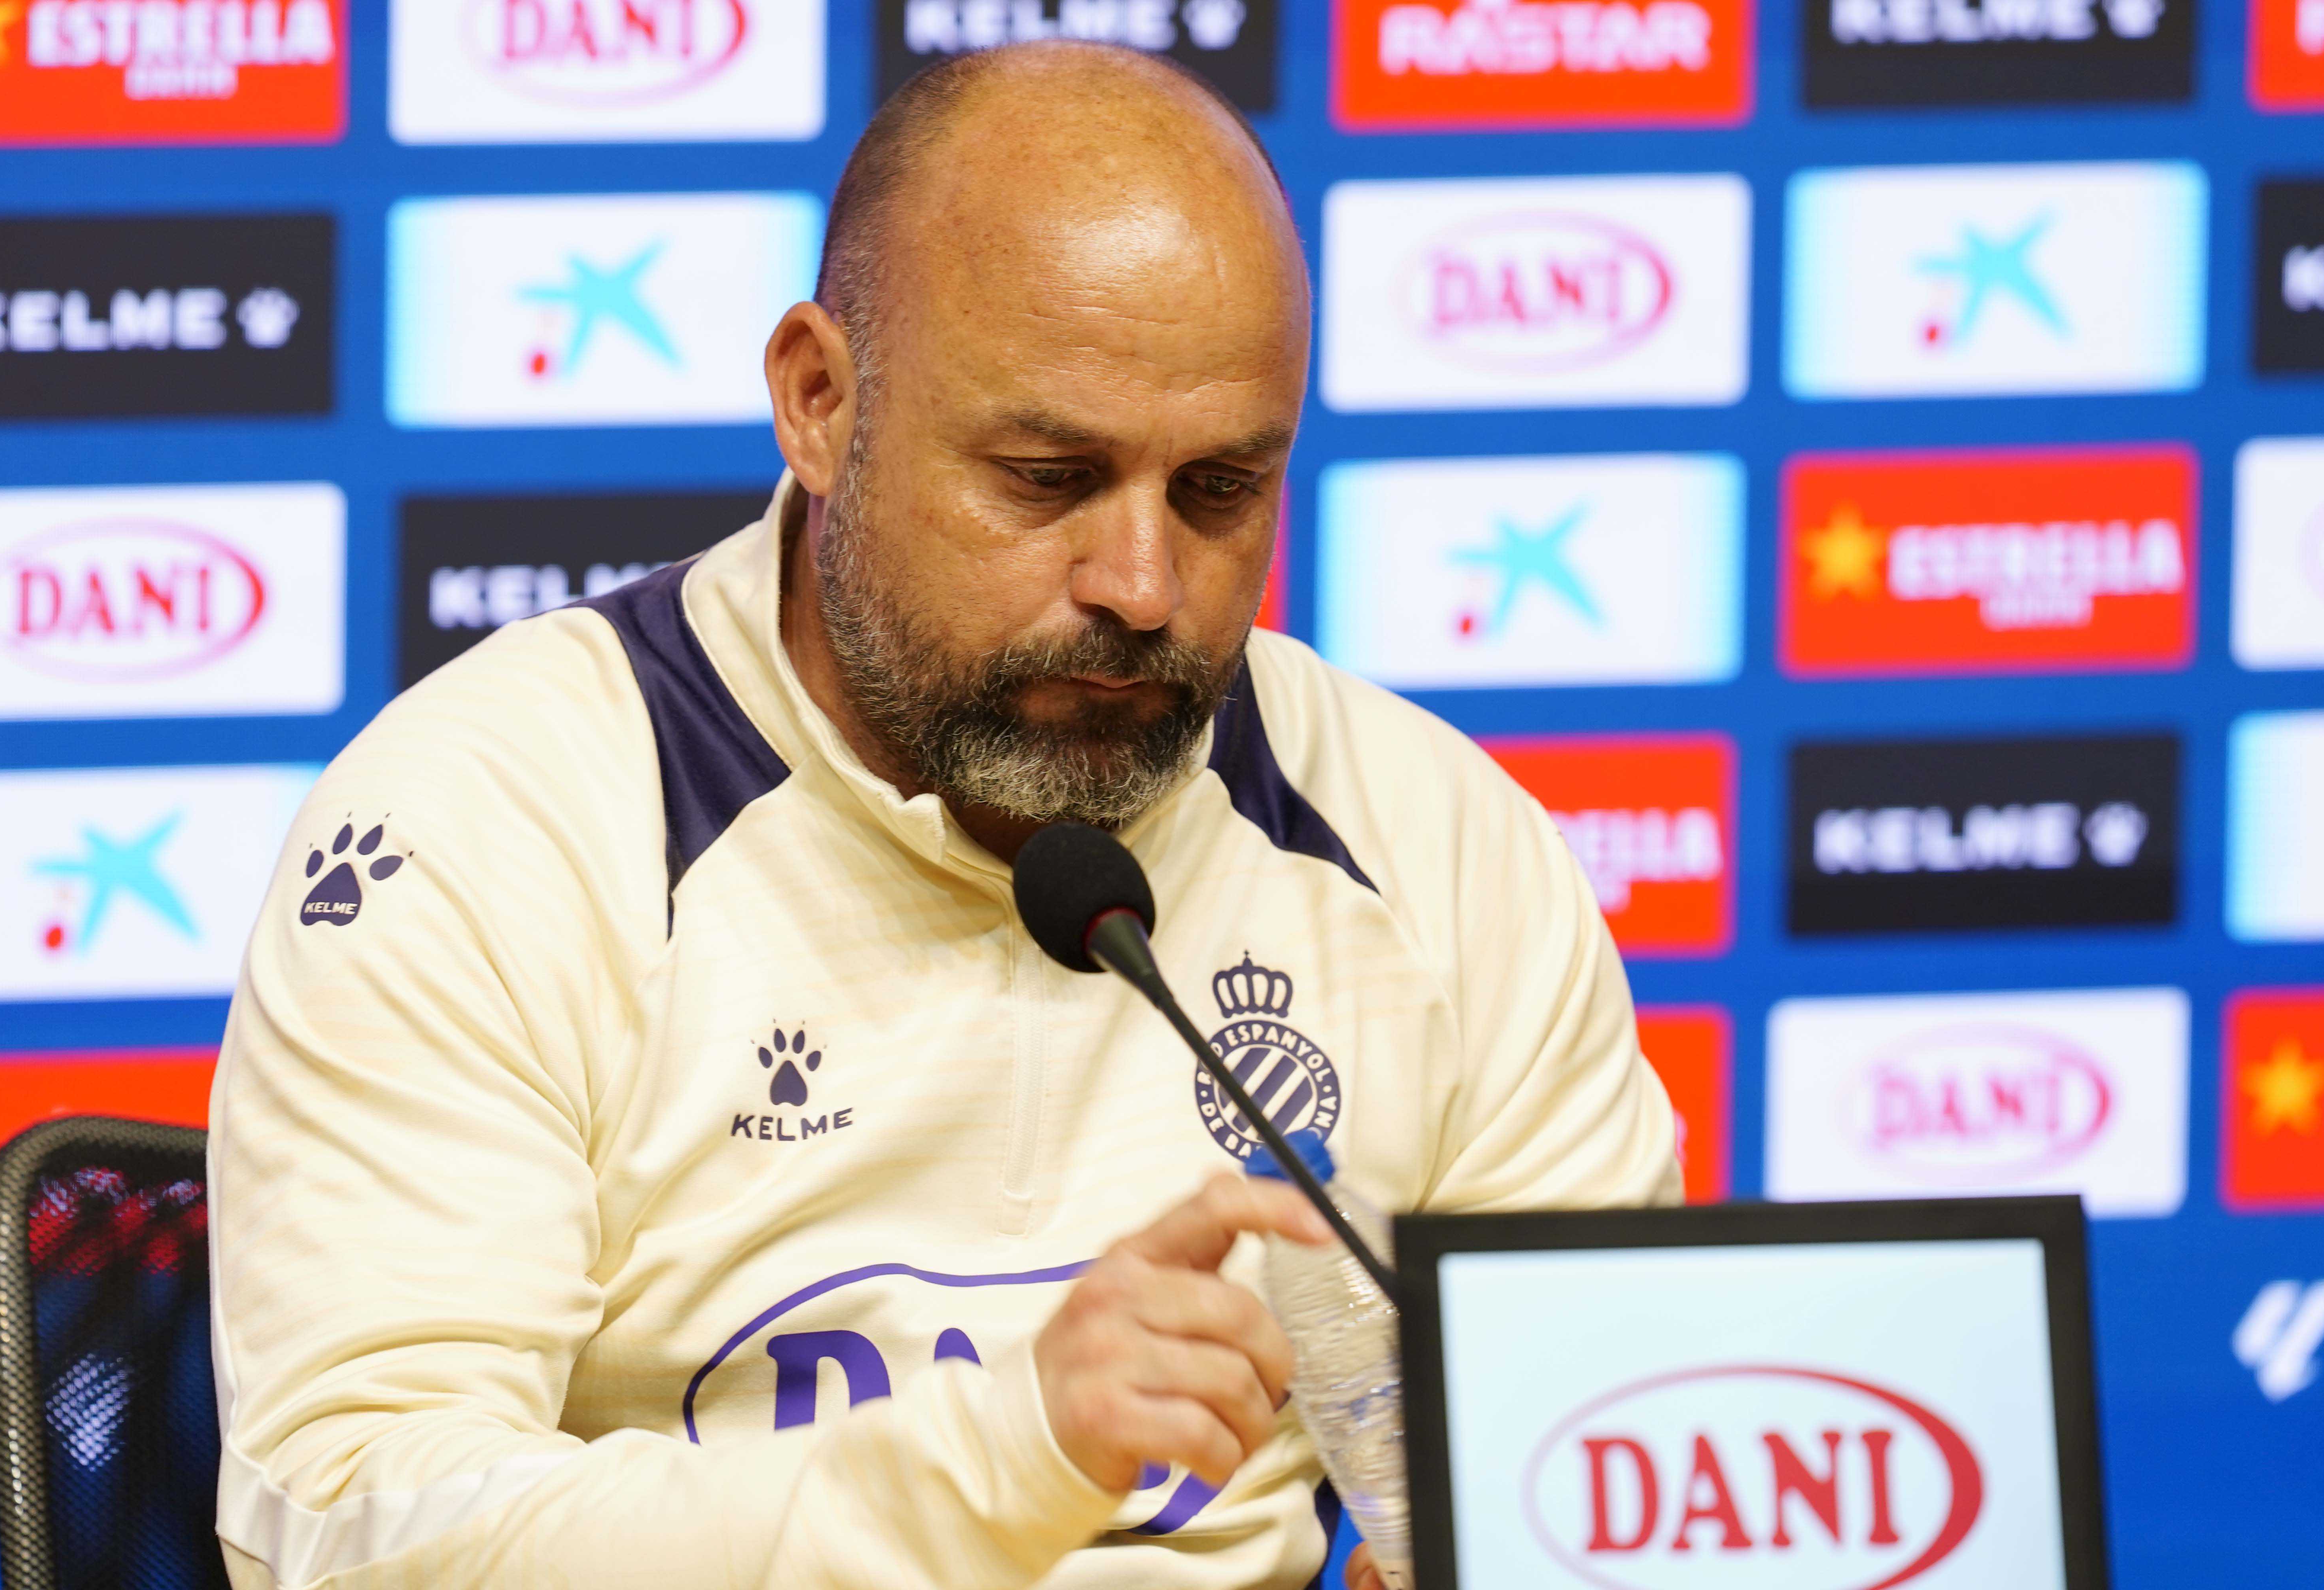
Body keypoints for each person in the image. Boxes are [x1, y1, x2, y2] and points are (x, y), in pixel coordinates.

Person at [208, 39, 1680, 1590]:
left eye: (1219, 490)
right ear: (819, 401)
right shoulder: (491, 823)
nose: (1142, 587)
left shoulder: (1432, 843)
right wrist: (1003, 1458)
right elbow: (360, 1533)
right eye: (1047, 478)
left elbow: (1616, 1473)